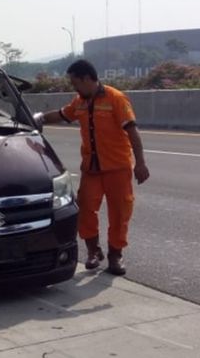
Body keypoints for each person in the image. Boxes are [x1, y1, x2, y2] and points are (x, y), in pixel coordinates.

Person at [40, 59, 149, 275]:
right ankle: (92, 251)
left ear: (87, 79)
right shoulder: (79, 101)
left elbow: (133, 133)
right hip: (91, 169)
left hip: (117, 168)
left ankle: (115, 256)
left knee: (120, 213)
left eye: (75, 83)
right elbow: (62, 115)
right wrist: (39, 118)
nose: (74, 88)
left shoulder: (116, 99)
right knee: (85, 211)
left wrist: (141, 163)